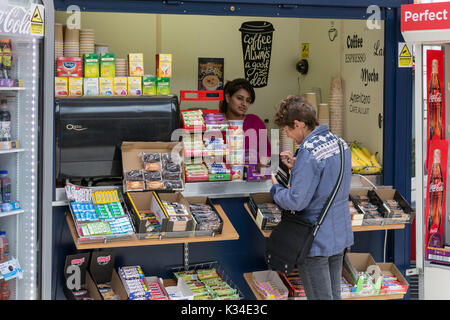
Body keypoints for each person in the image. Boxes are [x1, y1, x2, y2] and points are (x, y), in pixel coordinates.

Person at [270, 95, 353, 300]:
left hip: (315, 239)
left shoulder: (309, 152)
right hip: (338, 235)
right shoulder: (340, 143)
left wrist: (275, 190)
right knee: (333, 295)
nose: (288, 135)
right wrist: (298, 167)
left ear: (298, 124)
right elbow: (327, 181)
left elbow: (296, 201)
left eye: (288, 130)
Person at [220, 78, 271, 166]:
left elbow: (266, 153)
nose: (244, 104)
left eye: (248, 100)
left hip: (250, 177)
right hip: (220, 177)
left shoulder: (255, 122)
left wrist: (260, 165)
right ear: (228, 98)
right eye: (240, 98)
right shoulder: (215, 122)